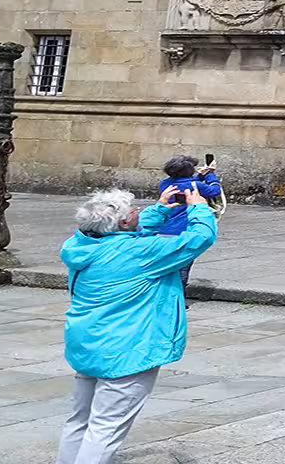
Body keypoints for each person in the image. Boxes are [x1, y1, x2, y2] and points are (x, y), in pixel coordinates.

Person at [58, 186, 217, 464]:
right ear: (123, 222)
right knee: (106, 428)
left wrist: (159, 210)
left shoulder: (82, 245)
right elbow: (200, 238)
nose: (139, 212)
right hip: (127, 349)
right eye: (135, 212)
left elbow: (124, 238)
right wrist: (199, 207)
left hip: (89, 344)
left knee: (80, 420)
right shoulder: (141, 254)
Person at [158, 155, 222, 289]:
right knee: (183, 267)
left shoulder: (165, 184)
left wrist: (200, 175)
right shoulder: (195, 185)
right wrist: (211, 175)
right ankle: (179, 296)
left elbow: (186, 185)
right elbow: (214, 190)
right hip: (184, 231)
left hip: (163, 231)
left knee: (165, 265)